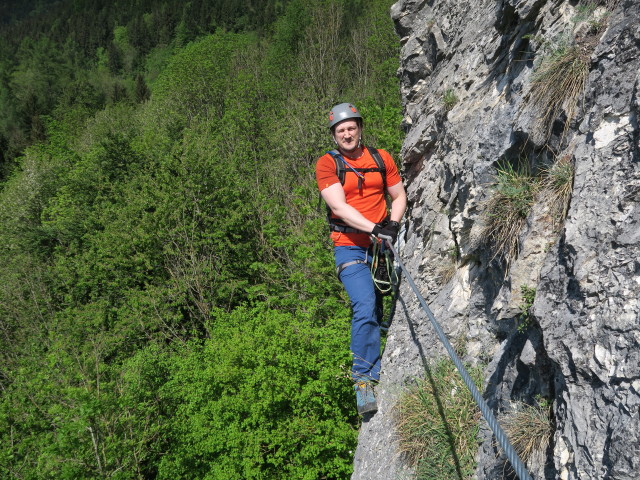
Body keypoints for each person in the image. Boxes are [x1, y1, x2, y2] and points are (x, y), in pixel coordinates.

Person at [315, 102, 407, 415]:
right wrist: (376, 228)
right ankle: (363, 381)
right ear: (334, 135)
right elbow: (339, 208)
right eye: (341, 130)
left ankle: (377, 360)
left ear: (359, 128)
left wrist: (392, 224)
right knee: (365, 305)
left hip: (379, 244)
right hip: (349, 246)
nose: (347, 133)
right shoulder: (327, 165)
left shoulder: (381, 158)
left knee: (379, 308)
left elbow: (399, 195)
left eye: (351, 127)